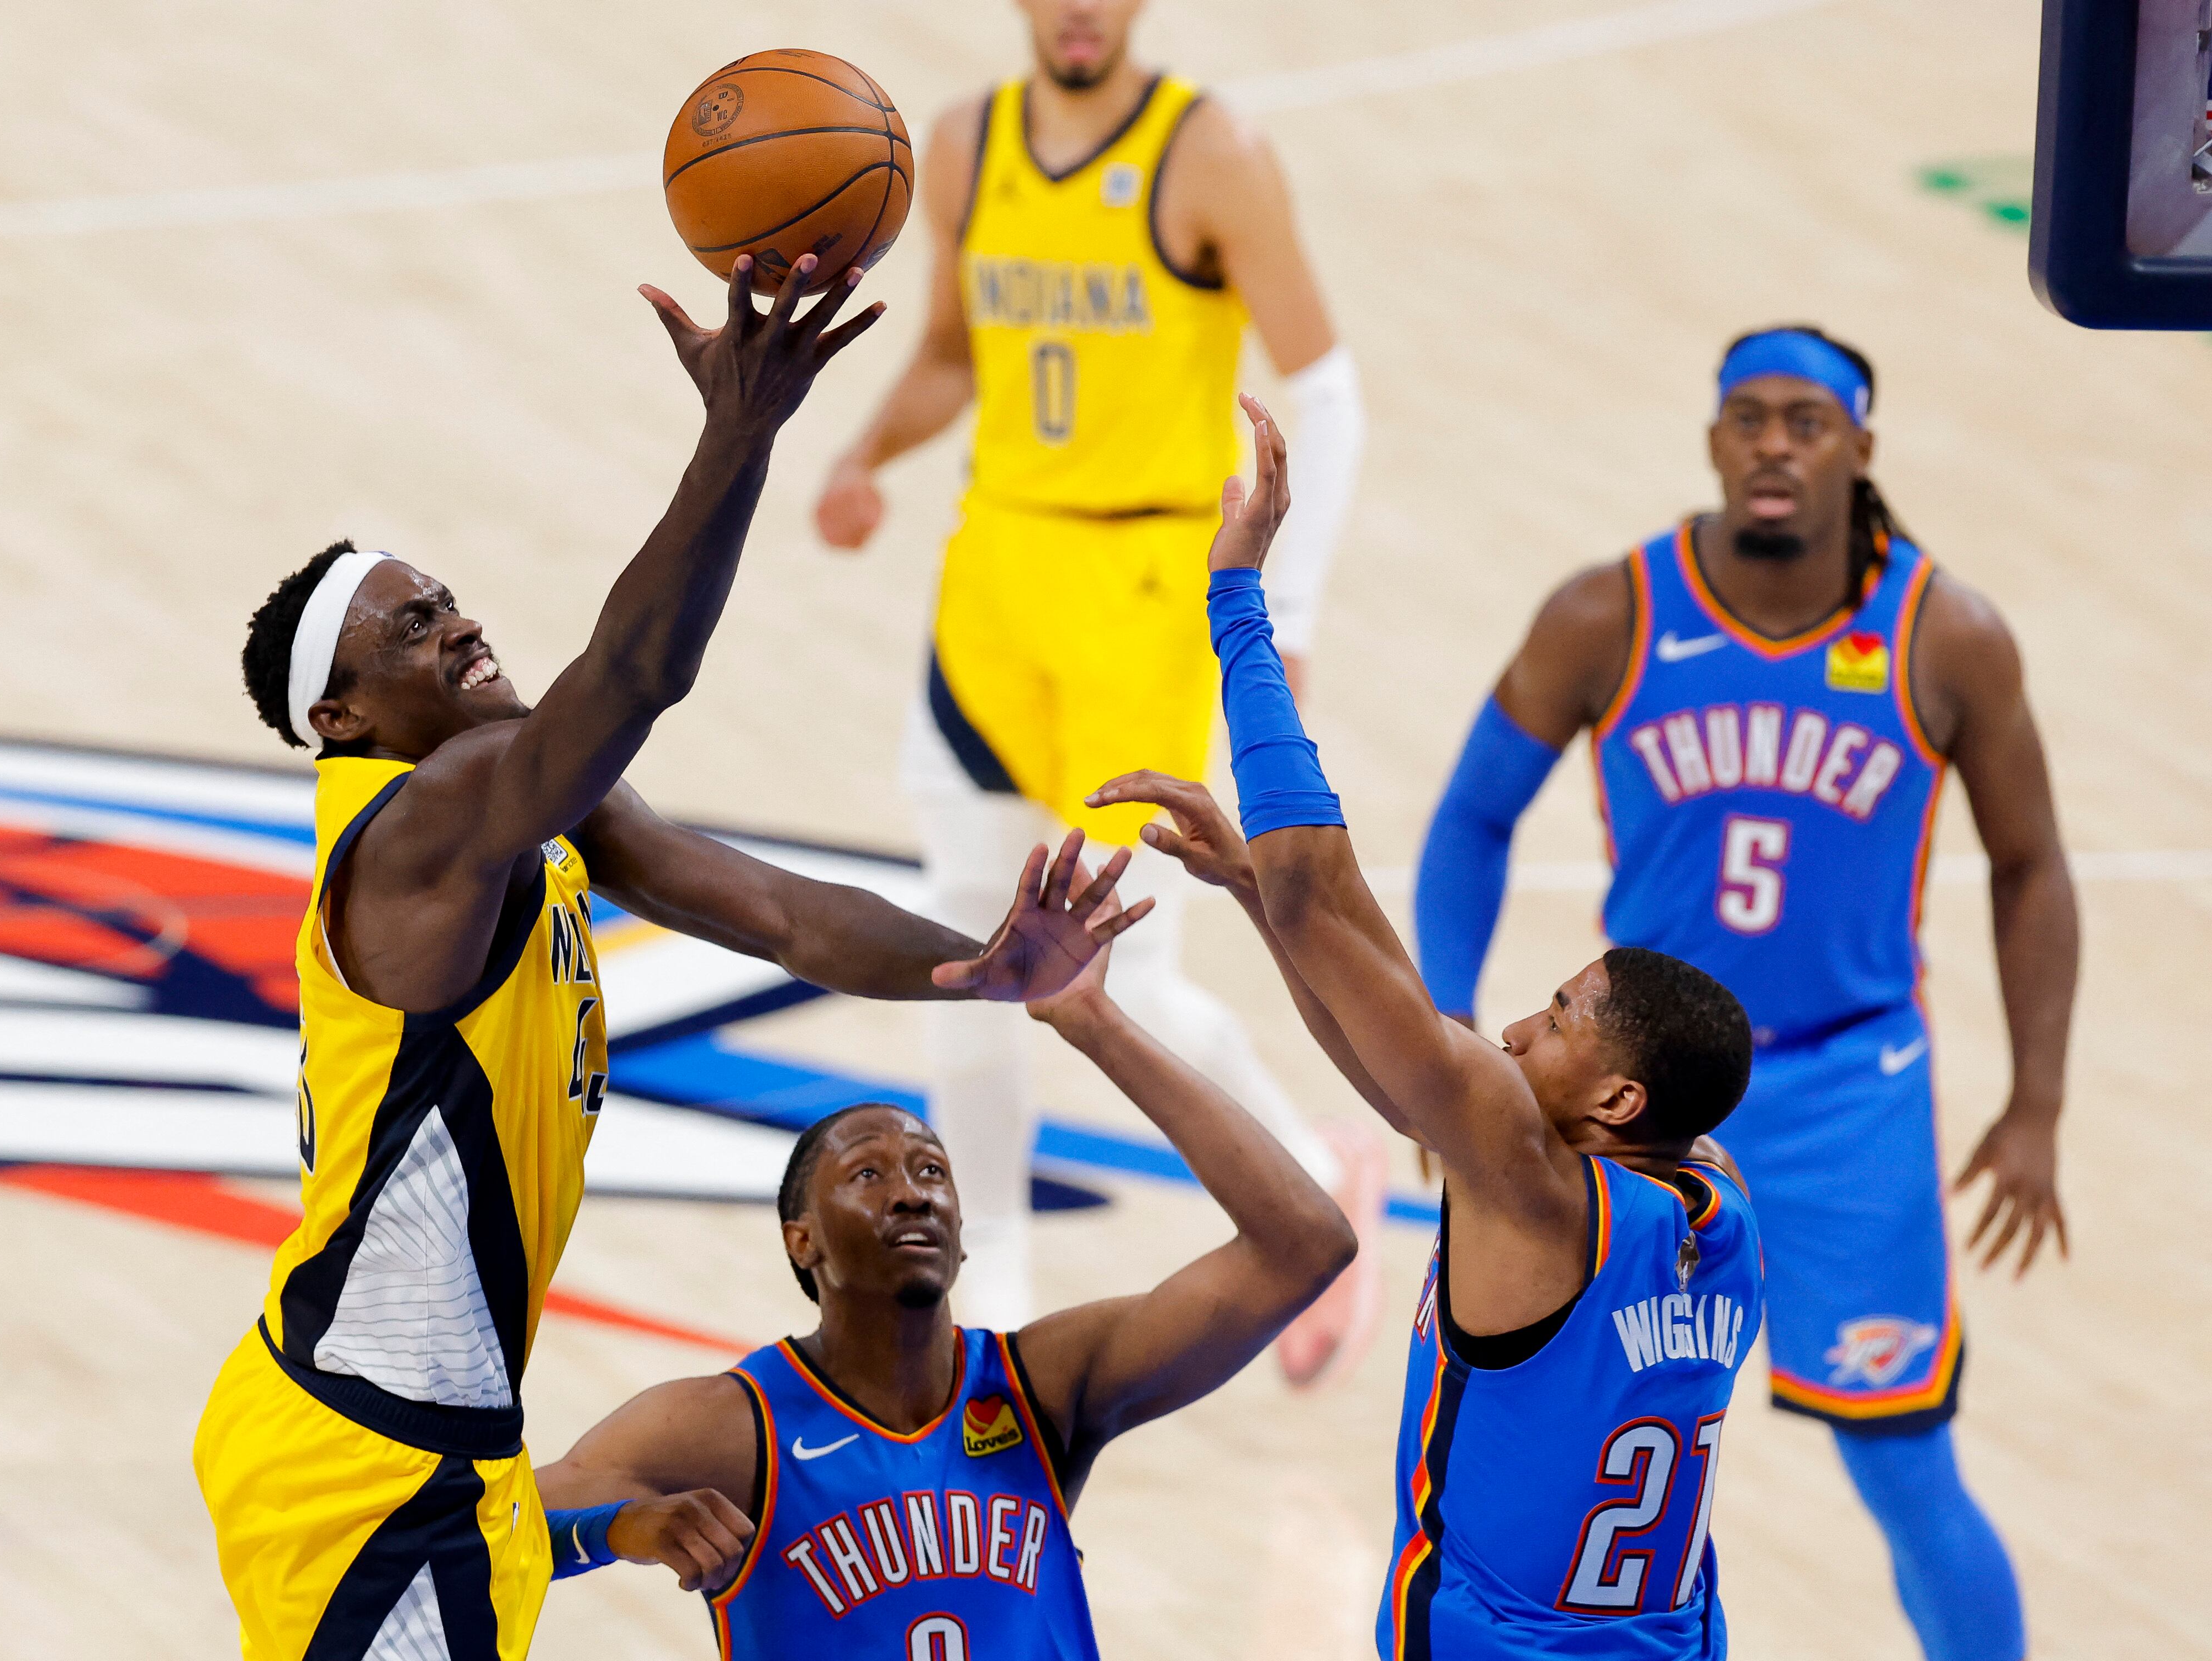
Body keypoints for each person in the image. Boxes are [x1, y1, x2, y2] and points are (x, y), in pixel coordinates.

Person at [193, 259, 1128, 1661]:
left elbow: (777, 916)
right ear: (341, 713)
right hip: (357, 1454)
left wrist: (988, 969)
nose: (457, 623)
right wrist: (738, 431)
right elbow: (631, 680)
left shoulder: (519, 812)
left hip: (434, 1431)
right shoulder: (420, 827)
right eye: (411, 624)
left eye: (447, 595)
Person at [1408, 326, 2070, 1661]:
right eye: (1750, 418)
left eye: (1809, 422)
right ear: (1713, 438)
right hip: (1632, 1106)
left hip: (1844, 1095)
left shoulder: (1947, 637)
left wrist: (2036, 1104)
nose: (1776, 443)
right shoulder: (1611, 615)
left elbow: (2033, 864)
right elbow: (1474, 815)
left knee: (1902, 1459)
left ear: (1860, 449)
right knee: (1564, 1435)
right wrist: (1446, 1035)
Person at [1091, 399, 1766, 1657]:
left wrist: (1239, 600)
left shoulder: (1528, 1180)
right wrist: (1253, 895)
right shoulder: (1718, 1205)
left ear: (1619, 1101)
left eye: (1562, 1018)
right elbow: (1398, 1062)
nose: (1515, 1028)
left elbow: (1321, 881)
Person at [810, 0, 1381, 1384]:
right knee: (965, 951)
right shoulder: (962, 146)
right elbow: (954, 351)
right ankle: (989, 1265)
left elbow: (1332, 394)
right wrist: (865, 451)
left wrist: (1285, 612)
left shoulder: (1211, 154)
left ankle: (1318, 1170)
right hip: (998, 579)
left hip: (1144, 594)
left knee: (1133, 968)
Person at [526, 834, 1357, 1658]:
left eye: (932, 1170)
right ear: (802, 1240)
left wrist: (1093, 1022)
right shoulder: (728, 1429)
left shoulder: (1045, 1388)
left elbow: (1304, 1244)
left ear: (964, 1236)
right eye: (867, 1175)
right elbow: (471, 1530)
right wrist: (610, 1532)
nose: (912, 1191)